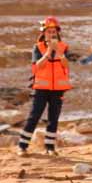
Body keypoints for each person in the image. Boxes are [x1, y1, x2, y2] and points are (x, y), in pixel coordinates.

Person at [18, 17, 72, 156]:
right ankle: (22, 146)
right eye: (49, 32)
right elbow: (38, 66)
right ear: (43, 33)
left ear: (57, 33)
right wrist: (48, 51)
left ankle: (50, 148)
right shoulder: (38, 47)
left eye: (54, 32)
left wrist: (58, 52)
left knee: (53, 118)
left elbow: (66, 65)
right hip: (41, 88)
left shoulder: (64, 47)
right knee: (34, 116)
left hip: (58, 89)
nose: (52, 34)